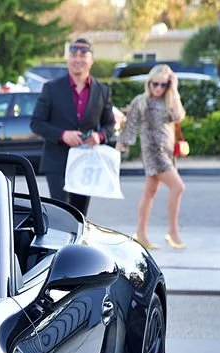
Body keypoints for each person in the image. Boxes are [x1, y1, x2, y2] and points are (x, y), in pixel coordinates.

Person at [30, 37, 117, 216]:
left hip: (86, 163)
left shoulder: (102, 91)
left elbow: (110, 124)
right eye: (74, 55)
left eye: (83, 55)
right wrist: (62, 135)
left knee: (79, 214)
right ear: (68, 59)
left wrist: (99, 136)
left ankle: (77, 245)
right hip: (57, 161)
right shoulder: (51, 88)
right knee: (60, 213)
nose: (78, 59)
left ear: (91, 60)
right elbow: (36, 123)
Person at [116, 64, 187, 249]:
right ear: (149, 83)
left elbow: (178, 117)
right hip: (153, 151)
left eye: (163, 85)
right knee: (178, 187)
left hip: (167, 151)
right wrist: (119, 147)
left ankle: (141, 233)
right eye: (155, 84)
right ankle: (172, 232)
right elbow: (130, 125)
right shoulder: (141, 101)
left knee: (150, 192)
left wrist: (174, 89)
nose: (158, 88)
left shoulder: (169, 99)